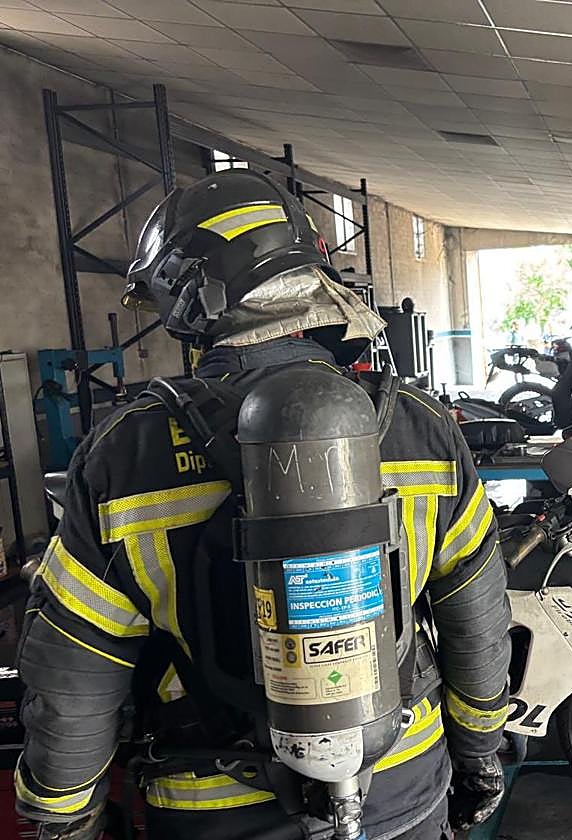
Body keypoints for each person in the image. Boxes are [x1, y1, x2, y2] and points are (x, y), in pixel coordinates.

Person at [16, 170, 512, 839]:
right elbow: (476, 627)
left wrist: (61, 819)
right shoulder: (417, 425)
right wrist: (479, 756)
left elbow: (75, 676)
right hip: (398, 791)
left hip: (216, 809)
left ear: (187, 300)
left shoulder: (125, 453)